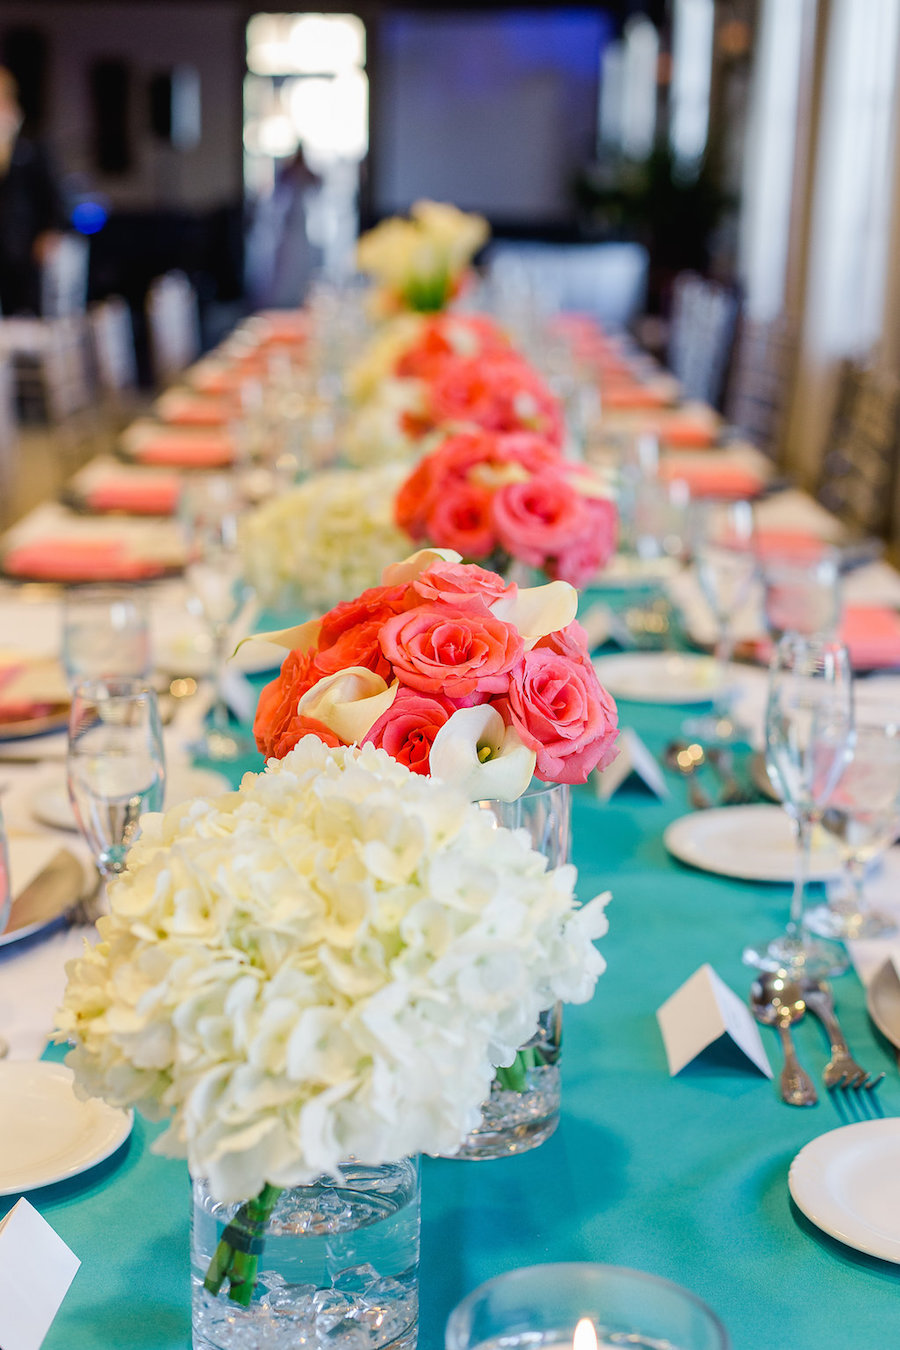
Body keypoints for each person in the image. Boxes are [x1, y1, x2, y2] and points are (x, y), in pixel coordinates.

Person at [0, 67, 67, 315]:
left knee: (28, 311)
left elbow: (54, 194)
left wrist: (50, 232)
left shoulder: (31, 141)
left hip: (25, 243)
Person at [245, 145, 322, 309]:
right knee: (285, 267)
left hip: (300, 226)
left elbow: (319, 185)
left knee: (300, 265)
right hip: (287, 224)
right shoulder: (287, 172)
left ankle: (297, 302)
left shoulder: (306, 172)